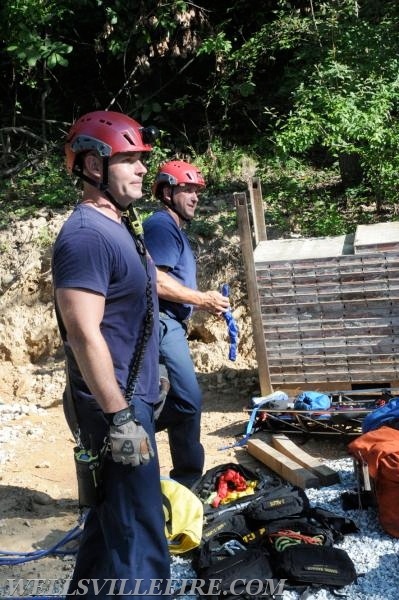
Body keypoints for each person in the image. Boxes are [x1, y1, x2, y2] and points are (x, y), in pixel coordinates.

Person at [52, 110, 170, 599]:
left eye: (143, 158)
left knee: (109, 527)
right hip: (113, 409)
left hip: (128, 397)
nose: (144, 168)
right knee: (142, 539)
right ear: (93, 166)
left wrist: (152, 371)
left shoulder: (118, 226)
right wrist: (121, 416)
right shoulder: (85, 237)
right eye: (130, 159)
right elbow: (83, 334)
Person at [143, 160, 230, 488]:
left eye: (197, 191)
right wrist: (202, 299)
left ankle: (187, 483)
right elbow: (157, 280)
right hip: (162, 324)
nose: (195, 197)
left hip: (173, 324)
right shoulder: (162, 226)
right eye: (187, 189)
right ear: (167, 192)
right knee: (186, 400)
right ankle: (127, 432)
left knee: (185, 406)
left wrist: (202, 304)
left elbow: (172, 282)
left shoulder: (173, 229)